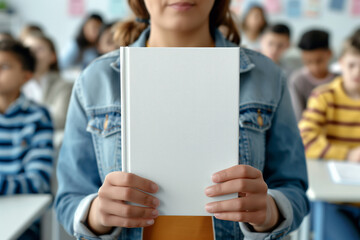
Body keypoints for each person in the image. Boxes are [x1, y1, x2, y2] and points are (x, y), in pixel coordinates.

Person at [55, 1, 309, 239]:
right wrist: (97, 213)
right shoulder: (95, 80)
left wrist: (269, 211)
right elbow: (69, 198)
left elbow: (293, 187)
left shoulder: (267, 77)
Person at [298, 33, 360, 240]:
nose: (357, 72)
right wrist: (348, 154)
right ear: (341, 63)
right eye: (352, 65)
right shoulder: (324, 96)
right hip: (330, 201)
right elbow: (305, 140)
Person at [0, 40, 54, 239]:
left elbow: (38, 181)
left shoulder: (37, 116)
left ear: (26, 76)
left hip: (23, 220)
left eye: (5, 66)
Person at [22, 34, 73, 132]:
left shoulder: (65, 85)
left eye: (39, 49)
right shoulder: (16, 85)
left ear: (53, 56)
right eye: (28, 49)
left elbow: (59, 119)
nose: (32, 54)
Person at [288, 29, 336, 122]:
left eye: (319, 61)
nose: (315, 67)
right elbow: (298, 117)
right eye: (308, 62)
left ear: (329, 53)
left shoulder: (340, 79)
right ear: (302, 57)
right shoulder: (297, 80)